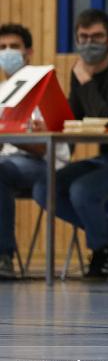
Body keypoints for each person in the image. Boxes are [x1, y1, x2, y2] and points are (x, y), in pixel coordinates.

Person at [33, 10, 108, 280]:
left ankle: (103, 250)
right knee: (44, 188)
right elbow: (73, 120)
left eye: (97, 36)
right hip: (107, 160)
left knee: (82, 190)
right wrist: (52, 127)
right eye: (83, 37)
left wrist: (86, 81)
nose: (89, 43)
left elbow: (106, 118)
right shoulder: (79, 74)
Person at [0, 24, 71, 279]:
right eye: (2, 47)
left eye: (14, 47)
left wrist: (9, 133)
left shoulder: (43, 87)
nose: (7, 52)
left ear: (27, 51)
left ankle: (3, 256)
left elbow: (43, 145)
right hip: (9, 162)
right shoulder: (2, 91)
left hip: (44, 162)